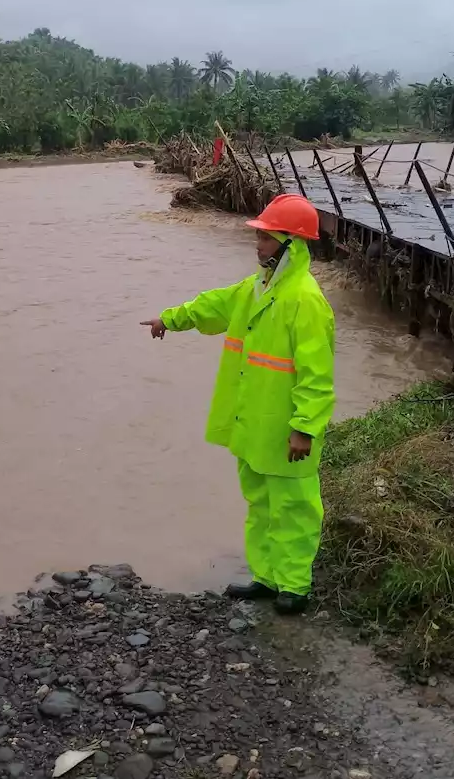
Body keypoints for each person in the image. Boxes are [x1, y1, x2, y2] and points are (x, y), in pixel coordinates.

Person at [141, 194, 335, 614]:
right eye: (261, 236)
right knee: (261, 504)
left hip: (286, 431)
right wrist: (170, 319)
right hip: (254, 425)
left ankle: (295, 586)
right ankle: (267, 577)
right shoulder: (256, 289)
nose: (258, 244)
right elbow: (213, 306)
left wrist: (304, 428)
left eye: (266, 237)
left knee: (294, 508)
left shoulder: (305, 301)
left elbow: (318, 376)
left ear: (291, 244)